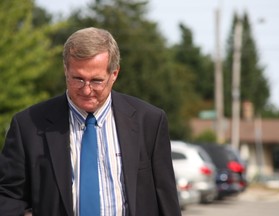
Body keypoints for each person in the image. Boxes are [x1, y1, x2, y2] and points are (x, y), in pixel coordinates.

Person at [0, 27, 181, 216]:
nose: (86, 90)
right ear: (65, 70)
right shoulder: (28, 125)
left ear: (114, 74)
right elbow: (9, 196)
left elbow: (166, 198)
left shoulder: (149, 121)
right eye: (78, 79)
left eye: (96, 81)